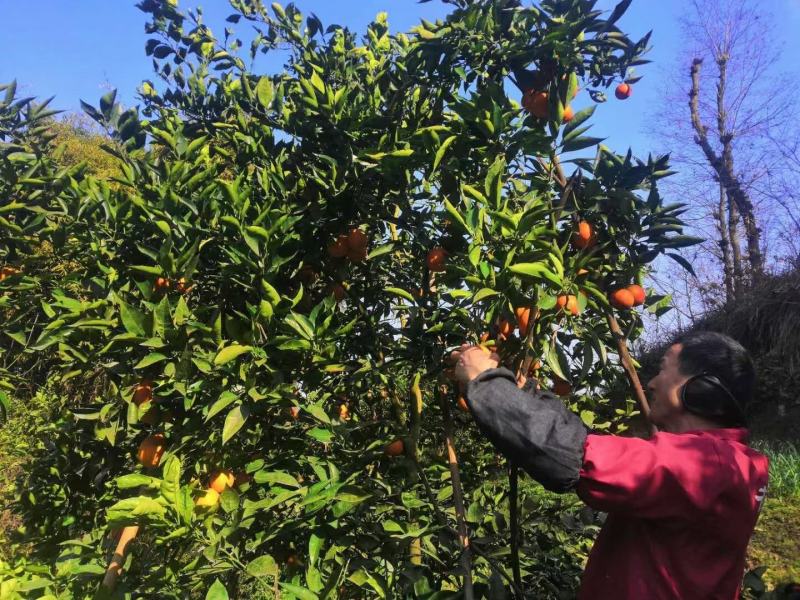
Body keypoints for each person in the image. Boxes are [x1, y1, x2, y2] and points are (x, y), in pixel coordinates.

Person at [450, 330, 769, 600]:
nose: (652, 382)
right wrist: (523, 391)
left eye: (663, 368)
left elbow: (570, 455)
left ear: (700, 387)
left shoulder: (705, 466)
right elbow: (587, 446)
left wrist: (485, 380)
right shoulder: (737, 464)